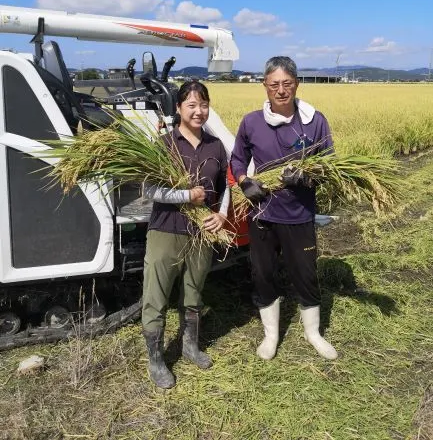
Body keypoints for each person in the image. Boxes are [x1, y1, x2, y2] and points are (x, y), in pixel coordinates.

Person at [230, 56, 338, 361]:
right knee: (264, 274)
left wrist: (307, 175)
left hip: (299, 213)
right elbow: (237, 159)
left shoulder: (314, 121)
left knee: (305, 273)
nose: (281, 90)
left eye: (287, 83)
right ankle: (271, 335)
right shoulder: (251, 122)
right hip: (262, 214)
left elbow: (330, 163)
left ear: (296, 84)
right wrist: (243, 181)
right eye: (274, 84)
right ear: (265, 85)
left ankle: (314, 334)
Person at [141, 80, 230, 388]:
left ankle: (190, 345)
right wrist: (184, 197)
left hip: (201, 233)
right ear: (178, 109)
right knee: (157, 296)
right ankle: (156, 359)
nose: (199, 111)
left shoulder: (215, 145)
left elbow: (226, 186)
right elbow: (149, 190)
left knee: (193, 293)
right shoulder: (165, 143)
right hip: (166, 229)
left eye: (203, 105)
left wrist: (221, 214)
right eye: (191, 105)